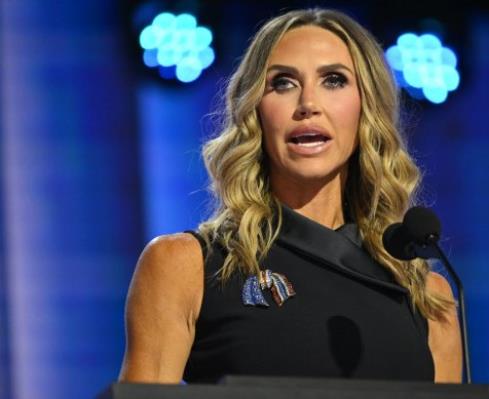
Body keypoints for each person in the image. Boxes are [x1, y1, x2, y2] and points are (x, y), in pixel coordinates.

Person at [118, 8, 462, 384]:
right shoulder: (183, 266)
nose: (308, 104)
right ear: (256, 112)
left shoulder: (430, 297)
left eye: (334, 80)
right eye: (282, 83)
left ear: (366, 109)